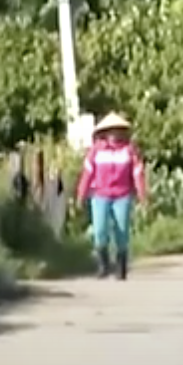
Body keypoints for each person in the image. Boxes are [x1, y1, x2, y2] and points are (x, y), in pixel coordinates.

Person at [75, 112, 149, 279]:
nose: (115, 134)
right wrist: (81, 194)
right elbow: (87, 174)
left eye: (118, 130)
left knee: (122, 231)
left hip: (122, 195)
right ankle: (103, 265)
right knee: (100, 230)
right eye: (111, 130)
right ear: (105, 133)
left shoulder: (129, 151)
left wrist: (142, 196)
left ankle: (121, 266)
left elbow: (137, 173)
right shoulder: (96, 151)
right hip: (100, 194)